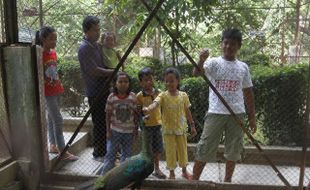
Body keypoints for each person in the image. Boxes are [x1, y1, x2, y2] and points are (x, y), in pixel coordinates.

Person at [192, 28, 257, 182]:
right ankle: (194, 182)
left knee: (233, 151)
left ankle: (227, 182)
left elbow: (248, 93)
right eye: (226, 43)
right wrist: (201, 59)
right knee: (205, 147)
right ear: (221, 44)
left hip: (237, 114)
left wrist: (252, 117)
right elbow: (196, 73)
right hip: (215, 113)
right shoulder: (213, 63)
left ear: (238, 46)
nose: (228, 47)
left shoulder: (243, 67)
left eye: (233, 44)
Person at [143, 67, 197, 180]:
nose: (169, 83)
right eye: (166, 81)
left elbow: (188, 111)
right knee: (170, 152)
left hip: (181, 129)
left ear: (178, 81)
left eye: (171, 80)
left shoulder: (183, 95)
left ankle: (184, 171)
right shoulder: (163, 95)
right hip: (168, 130)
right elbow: (155, 103)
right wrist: (149, 108)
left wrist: (192, 126)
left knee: (183, 150)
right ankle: (172, 173)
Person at [36, 26, 78, 161]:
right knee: (58, 120)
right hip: (47, 93)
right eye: (51, 39)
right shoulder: (38, 54)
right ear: (43, 39)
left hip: (56, 89)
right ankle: (63, 150)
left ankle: (53, 145)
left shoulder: (53, 53)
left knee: (51, 118)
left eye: (55, 39)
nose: (54, 42)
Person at [78, 16, 114, 161]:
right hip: (95, 91)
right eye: (95, 30)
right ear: (86, 31)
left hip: (103, 89)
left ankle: (106, 151)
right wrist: (112, 72)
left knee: (105, 122)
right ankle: (98, 153)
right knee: (99, 122)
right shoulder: (85, 48)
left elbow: (103, 64)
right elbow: (93, 70)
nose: (98, 33)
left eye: (99, 30)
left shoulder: (96, 46)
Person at [99, 72, 138, 175]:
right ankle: (104, 177)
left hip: (129, 132)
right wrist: (108, 131)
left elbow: (136, 114)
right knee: (110, 154)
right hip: (114, 131)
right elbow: (107, 115)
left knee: (127, 156)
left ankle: (122, 177)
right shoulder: (111, 97)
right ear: (115, 83)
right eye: (120, 81)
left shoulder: (133, 97)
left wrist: (135, 128)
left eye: (125, 81)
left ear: (129, 83)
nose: (123, 84)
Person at [136, 67, 166, 179]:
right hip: (146, 127)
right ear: (141, 82)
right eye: (145, 80)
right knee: (146, 149)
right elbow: (138, 112)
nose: (149, 82)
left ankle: (157, 169)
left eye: (150, 79)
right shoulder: (139, 96)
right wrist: (143, 117)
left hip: (157, 125)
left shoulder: (159, 93)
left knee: (157, 148)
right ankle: (145, 169)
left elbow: (163, 108)